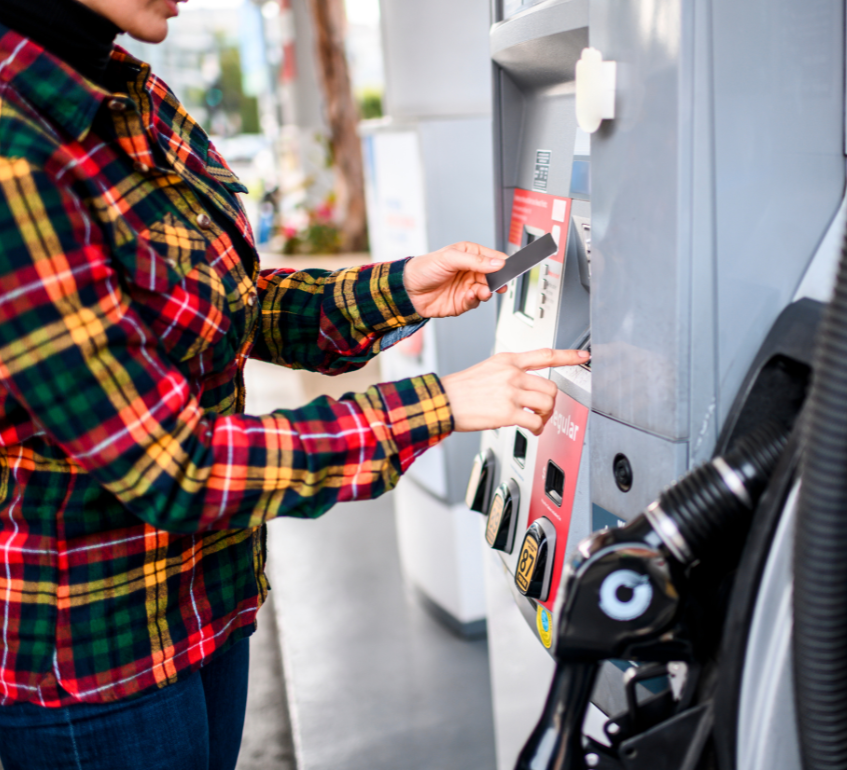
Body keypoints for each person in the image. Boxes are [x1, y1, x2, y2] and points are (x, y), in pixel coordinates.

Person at [0, 0, 587, 767]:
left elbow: (223, 306)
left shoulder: (127, 92)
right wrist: (437, 406)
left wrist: (403, 289)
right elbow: (175, 468)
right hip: (95, 657)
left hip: (210, 598)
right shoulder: (17, 155)